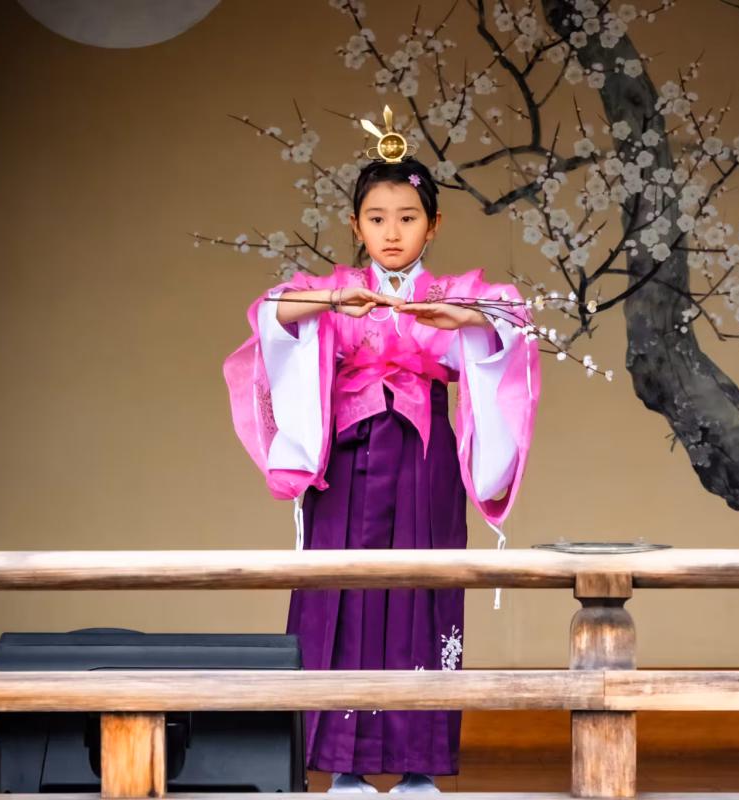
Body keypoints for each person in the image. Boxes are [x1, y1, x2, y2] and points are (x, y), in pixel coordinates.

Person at [223, 124, 540, 792]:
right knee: (344, 596)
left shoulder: (454, 293)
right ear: (356, 224)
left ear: (434, 225)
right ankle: (344, 763)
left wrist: (469, 320)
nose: (392, 233)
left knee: (423, 596)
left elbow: (515, 319)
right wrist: (337, 300)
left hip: (426, 466)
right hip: (346, 468)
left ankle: (421, 766)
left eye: (407, 218)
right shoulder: (332, 291)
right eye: (376, 218)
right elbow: (270, 315)